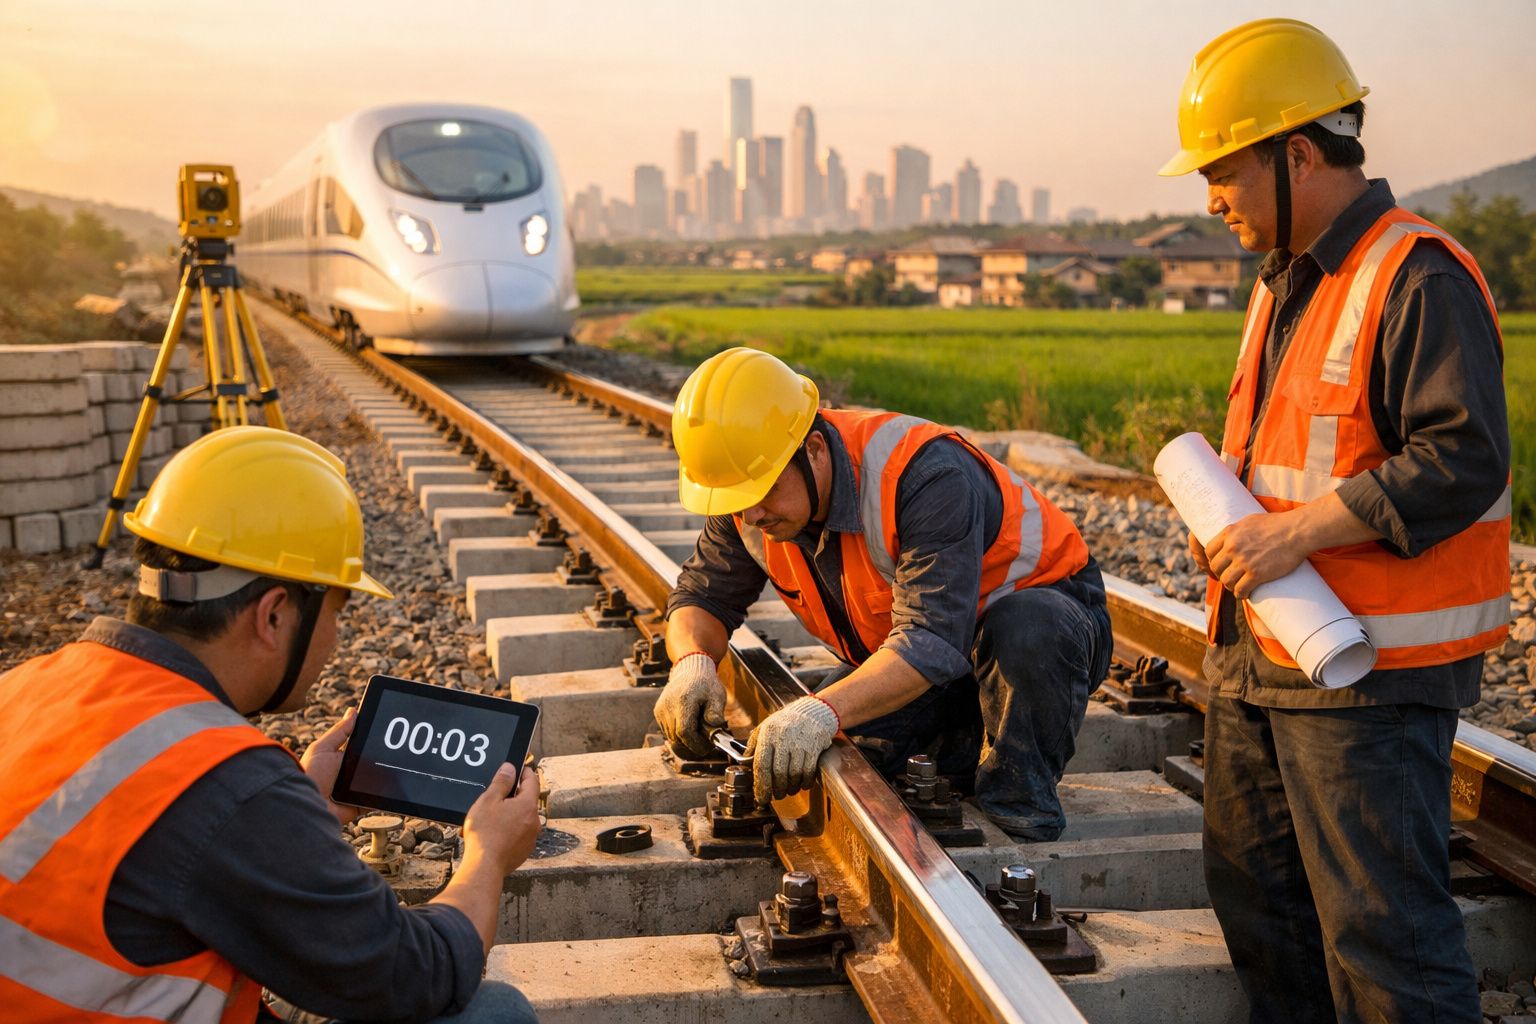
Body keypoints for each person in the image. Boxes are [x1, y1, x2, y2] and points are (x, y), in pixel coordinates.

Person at [1159, 18, 1510, 1023]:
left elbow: (1464, 456)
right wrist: (1226, 513)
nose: (1211, 198)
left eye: (1221, 173)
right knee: (1263, 911)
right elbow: (1295, 448)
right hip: (1261, 656)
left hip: (1369, 679)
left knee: (1384, 941)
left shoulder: (1417, 273)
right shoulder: (1285, 278)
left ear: (1297, 153)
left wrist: (1296, 533)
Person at [0, 426, 542, 1024]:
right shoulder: (222, 782)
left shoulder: (32, 683)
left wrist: (304, 801)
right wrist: (488, 855)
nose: (336, 638)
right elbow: (414, 975)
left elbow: (135, 843)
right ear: (275, 614)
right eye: (338, 609)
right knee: (492, 1013)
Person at [654, 347, 1113, 839]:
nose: (751, 517)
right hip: (922, 664)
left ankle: (1019, 809)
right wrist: (692, 664)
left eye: (761, 494)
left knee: (1027, 626)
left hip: (1038, 639)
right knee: (851, 752)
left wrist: (823, 709)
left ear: (812, 448)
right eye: (736, 503)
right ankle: (965, 739)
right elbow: (701, 596)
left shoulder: (924, 475)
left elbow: (930, 640)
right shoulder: (748, 495)